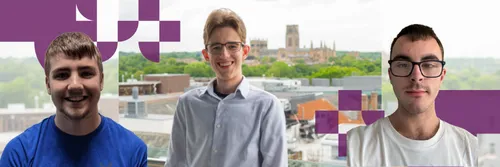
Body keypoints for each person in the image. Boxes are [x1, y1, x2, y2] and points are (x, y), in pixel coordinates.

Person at [0, 32, 148, 166]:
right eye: (62, 75)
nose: (75, 85)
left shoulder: (133, 151)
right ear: (48, 85)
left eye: (86, 73)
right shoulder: (19, 154)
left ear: (101, 81)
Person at [165, 8, 287, 167]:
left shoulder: (267, 106)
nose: (224, 55)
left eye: (232, 46)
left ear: (245, 51)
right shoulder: (187, 104)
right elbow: (176, 162)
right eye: (216, 47)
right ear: (206, 54)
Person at [346, 24, 478, 166]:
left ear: (441, 76)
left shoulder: (471, 149)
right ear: (390, 75)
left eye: (428, 65)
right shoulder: (355, 146)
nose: (416, 76)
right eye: (403, 65)